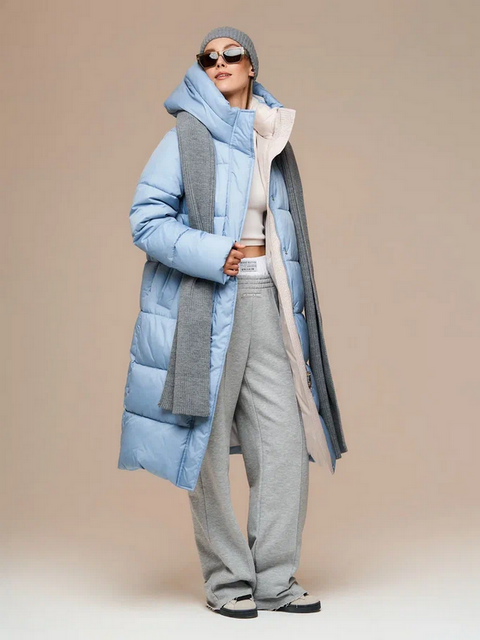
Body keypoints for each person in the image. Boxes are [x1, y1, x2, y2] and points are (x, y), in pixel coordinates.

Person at [118, 25, 347, 619]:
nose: (218, 63)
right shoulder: (186, 135)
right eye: (208, 57)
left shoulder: (273, 135)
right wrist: (214, 252)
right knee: (207, 440)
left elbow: (284, 234)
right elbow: (145, 218)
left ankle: (274, 578)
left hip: (267, 300)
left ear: (251, 65)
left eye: (230, 54)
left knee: (284, 439)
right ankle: (227, 582)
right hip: (208, 301)